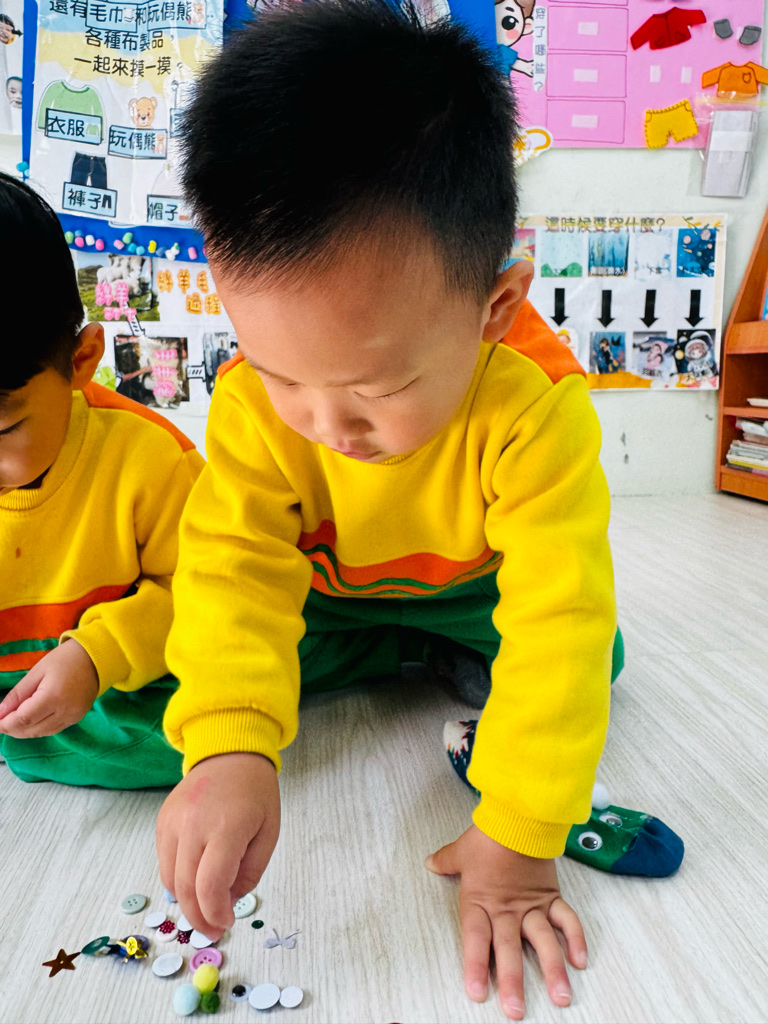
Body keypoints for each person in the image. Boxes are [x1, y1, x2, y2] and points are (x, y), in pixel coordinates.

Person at [156, 2, 681, 1019]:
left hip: (470, 594)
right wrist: (227, 744)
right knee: (184, 710)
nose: (324, 425)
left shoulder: (537, 409)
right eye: (278, 373)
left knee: (594, 656)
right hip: (330, 601)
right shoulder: (251, 407)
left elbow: (558, 615)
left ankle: (415, 662)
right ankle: (381, 659)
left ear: (494, 309)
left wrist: (521, 835)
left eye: (377, 388)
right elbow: (232, 571)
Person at [0, 172, 204, 788]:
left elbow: (205, 590)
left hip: (108, 680)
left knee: (189, 735)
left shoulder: (149, 459)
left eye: (3, 430)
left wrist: (97, 655)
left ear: (82, 360)